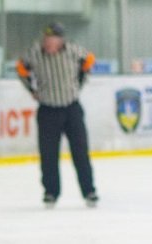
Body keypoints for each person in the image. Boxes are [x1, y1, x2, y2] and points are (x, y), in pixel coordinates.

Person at [16, 21, 98, 208]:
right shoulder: (34, 53)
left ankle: (89, 191)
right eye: (46, 39)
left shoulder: (73, 51)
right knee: (48, 154)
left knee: (80, 152)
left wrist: (79, 82)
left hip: (71, 108)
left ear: (61, 40)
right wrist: (31, 89)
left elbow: (89, 60)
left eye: (52, 39)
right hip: (48, 110)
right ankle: (51, 192)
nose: (48, 43)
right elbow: (20, 68)